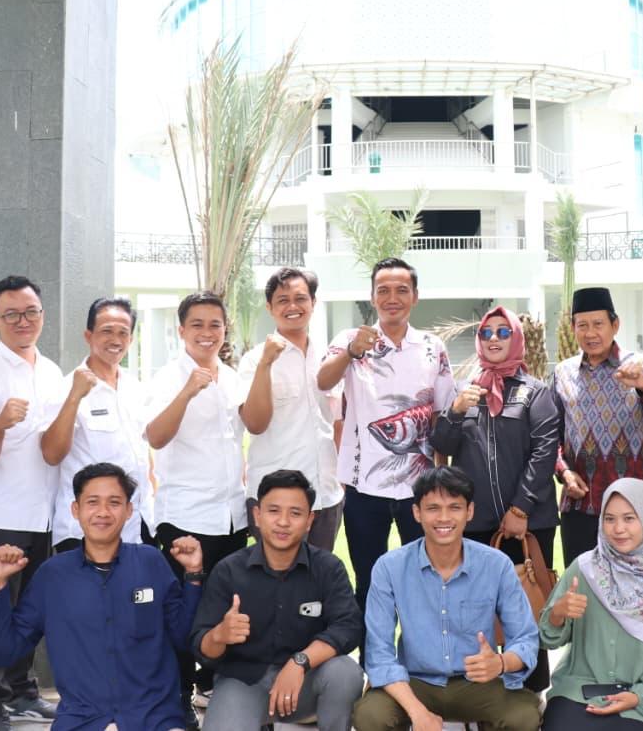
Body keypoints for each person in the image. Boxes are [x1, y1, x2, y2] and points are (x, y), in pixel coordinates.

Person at [0, 463, 204, 731]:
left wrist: (193, 575)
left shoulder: (151, 562)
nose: (103, 512)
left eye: (114, 502)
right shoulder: (53, 575)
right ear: (75, 510)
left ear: (129, 510)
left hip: (153, 719)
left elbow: (184, 638)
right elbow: (6, 652)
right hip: (82, 720)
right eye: (92, 502)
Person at [352, 466, 541, 731]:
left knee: (524, 717)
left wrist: (500, 663)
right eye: (433, 508)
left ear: (469, 512)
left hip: (478, 682)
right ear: (417, 512)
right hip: (414, 681)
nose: (444, 518)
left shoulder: (497, 565)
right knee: (370, 715)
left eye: (455, 507)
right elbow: (379, 654)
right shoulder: (389, 567)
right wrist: (418, 713)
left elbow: (526, 639)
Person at [317, 257, 456, 609]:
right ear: (372, 297)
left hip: (420, 488)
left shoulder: (432, 347)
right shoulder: (351, 340)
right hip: (364, 486)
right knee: (368, 581)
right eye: (383, 290)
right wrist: (351, 352)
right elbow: (323, 381)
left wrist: (440, 478)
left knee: (425, 580)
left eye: (401, 290)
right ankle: (371, 646)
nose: (392, 298)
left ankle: (420, 645)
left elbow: (439, 415)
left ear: (415, 297)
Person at [0, 275, 65, 729]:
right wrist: (0, 424)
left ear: (42, 315)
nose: (22, 321)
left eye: (30, 312)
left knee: (31, 611)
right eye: (11, 314)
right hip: (0, 516)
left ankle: (23, 693)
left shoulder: (52, 372)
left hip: (45, 514)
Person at [145, 290, 249, 728]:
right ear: (181, 330)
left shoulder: (233, 377)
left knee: (226, 608)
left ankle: (216, 691)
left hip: (232, 515)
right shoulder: (168, 377)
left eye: (215, 325)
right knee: (183, 613)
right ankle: (178, 699)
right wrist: (187, 391)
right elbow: (155, 436)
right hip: (185, 515)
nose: (207, 333)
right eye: (197, 325)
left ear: (225, 330)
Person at [192, 470, 364, 730]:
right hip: (244, 682)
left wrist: (300, 662)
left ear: (309, 520)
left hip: (307, 681)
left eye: (295, 513)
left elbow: (348, 626)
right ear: (257, 515)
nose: (283, 522)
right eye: (273, 511)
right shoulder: (229, 570)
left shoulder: (328, 567)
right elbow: (200, 645)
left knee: (346, 673)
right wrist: (219, 635)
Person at [538, 478, 643, 731]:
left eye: (629, 518)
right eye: (609, 519)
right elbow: (547, 639)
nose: (618, 529)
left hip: (639, 699)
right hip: (578, 691)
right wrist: (557, 614)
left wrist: (639, 696)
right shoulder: (584, 569)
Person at [552, 286, 643, 565]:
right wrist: (564, 473)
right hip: (581, 505)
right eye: (582, 325)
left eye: (598, 324)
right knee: (582, 584)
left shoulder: (640, 365)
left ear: (615, 325)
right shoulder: (562, 373)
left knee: (635, 585)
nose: (590, 333)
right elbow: (552, 436)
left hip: (631, 508)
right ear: (573, 328)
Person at [431, 305, 561, 562]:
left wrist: (520, 508)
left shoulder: (535, 392)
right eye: (486, 332)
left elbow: (544, 454)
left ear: (517, 338)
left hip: (529, 522)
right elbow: (442, 446)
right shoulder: (464, 390)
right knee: (476, 588)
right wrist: (455, 411)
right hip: (475, 523)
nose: (493, 338)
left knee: (528, 587)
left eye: (503, 332)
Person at [239, 268, 344, 550]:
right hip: (275, 499)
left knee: (319, 574)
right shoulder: (254, 359)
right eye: (283, 300)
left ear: (313, 302)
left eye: (300, 298)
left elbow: (337, 423)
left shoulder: (328, 357)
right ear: (269, 307)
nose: (292, 306)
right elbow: (254, 424)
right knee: (275, 575)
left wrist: (340, 481)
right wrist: (266, 364)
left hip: (326, 495)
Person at [41, 297, 154, 552]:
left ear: (131, 339)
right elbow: (51, 453)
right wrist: (75, 396)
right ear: (88, 335)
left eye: (123, 333)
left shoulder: (136, 388)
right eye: (106, 331)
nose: (115, 340)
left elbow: (143, 453)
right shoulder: (66, 388)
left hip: (138, 524)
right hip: (85, 530)